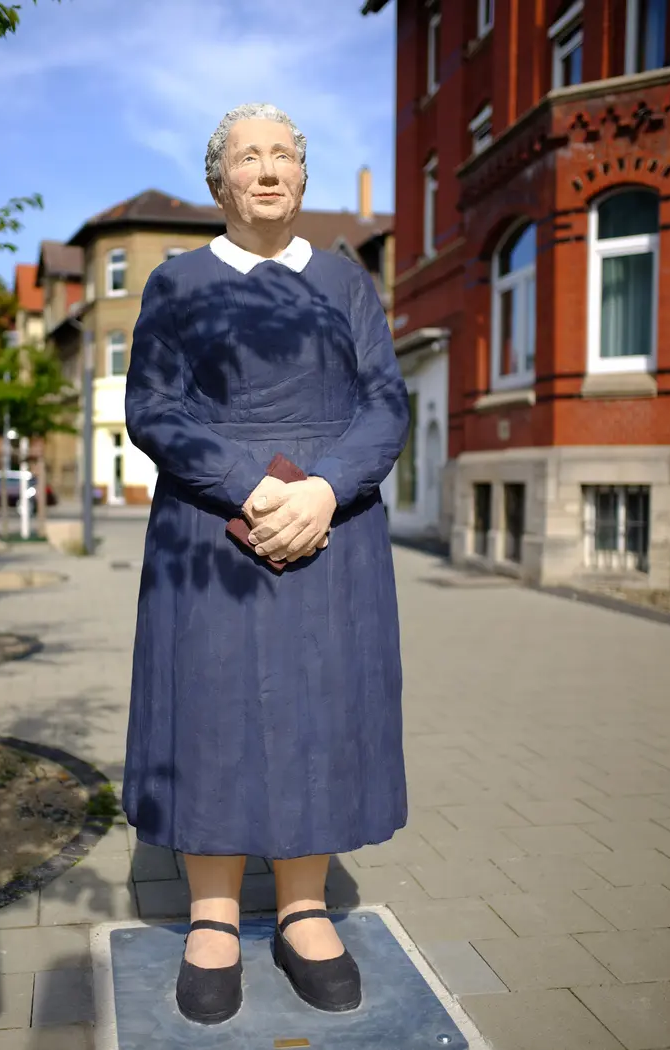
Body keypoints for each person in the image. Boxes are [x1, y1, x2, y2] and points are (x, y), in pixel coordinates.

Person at [121, 101, 411, 1025]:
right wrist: (253, 486)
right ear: (221, 181)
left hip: (338, 525)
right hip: (213, 529)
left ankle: (301, 909)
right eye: (248, 156)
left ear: (303, 174)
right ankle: (210, 916)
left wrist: (323, 490)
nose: (268, 168)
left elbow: (386, 402)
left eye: (283, 153)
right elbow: (155, 409)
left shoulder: (346, 281)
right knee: (211, 706)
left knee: (321, 705)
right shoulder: (176, 283)